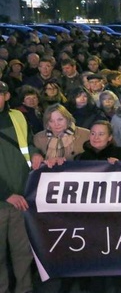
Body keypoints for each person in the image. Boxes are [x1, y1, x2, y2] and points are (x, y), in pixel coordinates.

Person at [0, 81, 43, 293]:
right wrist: (7, 194)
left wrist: (35, 152)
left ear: (6, 96)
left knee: (22, 252)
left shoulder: (18, 117)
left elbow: (27, 143)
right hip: (6, 199)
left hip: (21, 197)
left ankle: (24, 289)